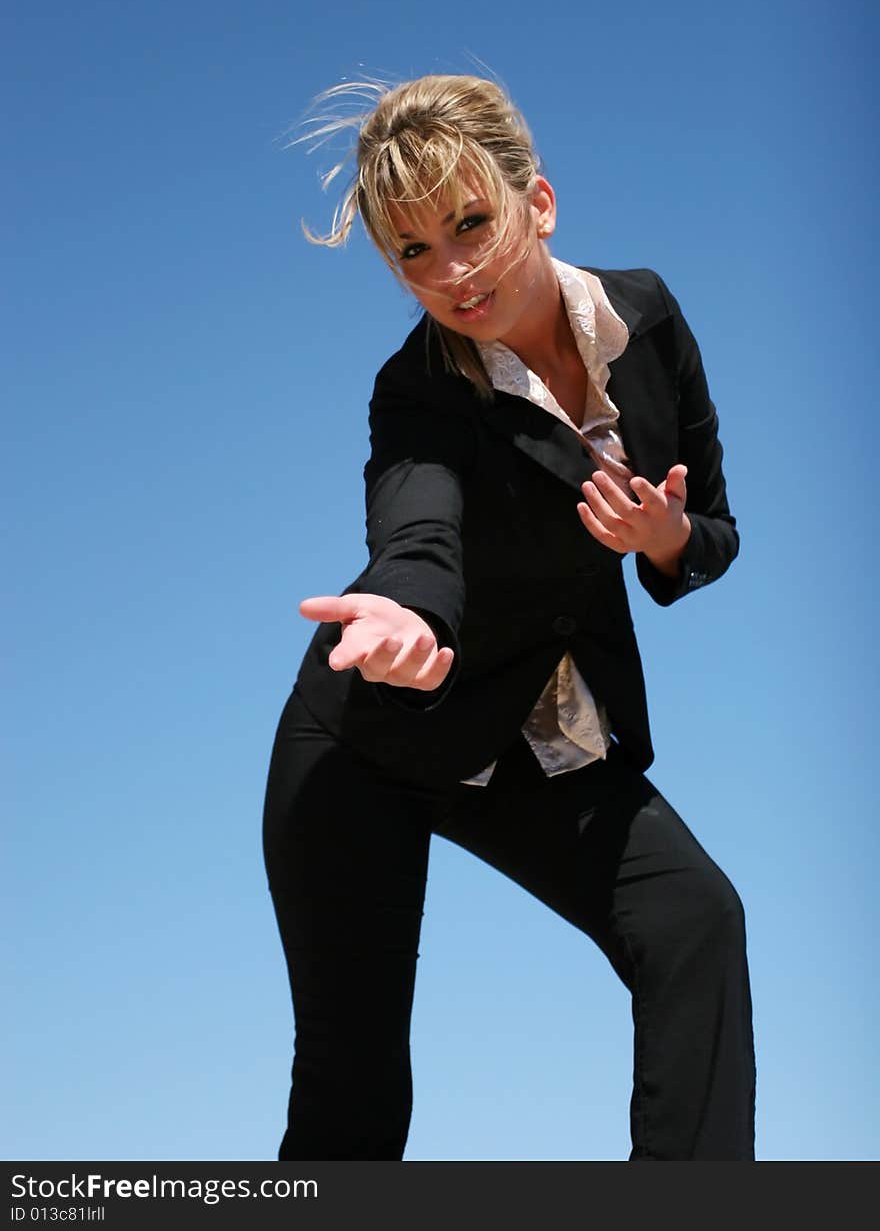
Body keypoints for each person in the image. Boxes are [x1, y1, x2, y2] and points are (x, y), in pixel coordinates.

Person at [262, 74, 756, 1161]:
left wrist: (662, 541)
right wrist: (400, 614)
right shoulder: (419, 392)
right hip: (369, 737)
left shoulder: (648, 318)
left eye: (470, 223)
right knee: (354, 1084)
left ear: (537, 202)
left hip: (535, 730)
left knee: (695, 924)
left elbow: (710, 528)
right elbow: (418, 531)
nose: (450, 271)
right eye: (412, 252)